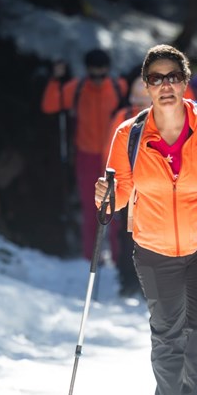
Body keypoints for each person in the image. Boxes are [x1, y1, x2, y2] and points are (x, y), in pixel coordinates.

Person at [95, 44, 197, 395]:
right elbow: (119, 193)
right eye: (156, 78)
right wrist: (105, 196)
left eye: (173, 77)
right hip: (153, 248)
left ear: (186, 82)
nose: (165, 85)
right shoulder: (129, 134)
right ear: (146, 85)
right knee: (168, 334)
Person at [41, 48, 127, 260]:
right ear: (88, 70)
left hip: (114, 156)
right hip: (86, 156)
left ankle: (118, 259)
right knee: (91, 209)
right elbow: (49, 105)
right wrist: (55, 79)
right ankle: (90, 258)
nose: (98, 79)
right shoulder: (77, 88)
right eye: (94, 74)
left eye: (102, 74)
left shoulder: (119, 87)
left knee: (116, 209)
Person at [106, 74, 152, 297]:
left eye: (144, 101)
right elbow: (109, 153)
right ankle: (128, 280)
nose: (140, 106)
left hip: (154, 190)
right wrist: (111, 186)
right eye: (138, 101)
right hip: (129, 188)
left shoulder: (165, 119)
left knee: (152, 237)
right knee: (128, 235)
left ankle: (149, 284)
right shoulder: (123, 118)